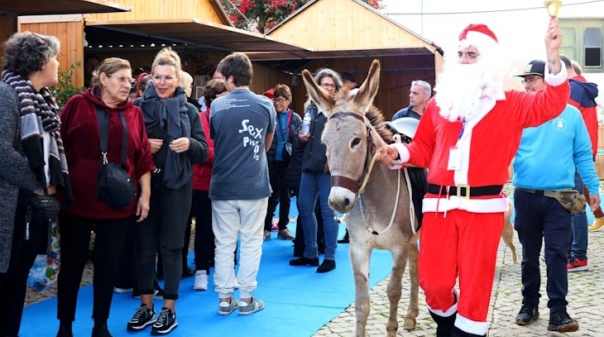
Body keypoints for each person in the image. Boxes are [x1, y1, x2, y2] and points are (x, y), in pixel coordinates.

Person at [375, 20, 570, 337]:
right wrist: (400, 153)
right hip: (439, 206)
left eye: (472, 54)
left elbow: (552, 102)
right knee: (433, 283)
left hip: (482, 209)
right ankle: (449, 322)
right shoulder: (440, 104)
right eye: (461, 54)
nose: (464, 60)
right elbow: (424, 147)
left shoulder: (512, 105)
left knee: (475, 286)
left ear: (489, 61)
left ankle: (465, 332)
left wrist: (552, 54)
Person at [57, 57, 154, 337]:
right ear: (103, 78)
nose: (128, 84)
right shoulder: (77, 105)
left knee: (108, 266)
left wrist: (145, 196)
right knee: (72, 263)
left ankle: (101, 324)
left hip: (118, 204)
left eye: (130, 80)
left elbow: (143, 157)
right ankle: (65, 325)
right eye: (122, 79)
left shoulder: (134, 113)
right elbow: (58, 146)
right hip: (77, 201)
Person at [512, 59, 599, 333]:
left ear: (549, 81)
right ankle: (529, 304)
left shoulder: (571, 114)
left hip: (560, 197)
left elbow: (583, 154)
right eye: (525, 79)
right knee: (528, 255)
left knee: (557, 255)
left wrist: (593, 188)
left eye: (533, 78)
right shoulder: (518, 113)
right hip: (525, 195)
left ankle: (558, 311)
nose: (528, 84)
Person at [127, 48, 208, 335]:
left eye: (168, 78)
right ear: (150, 78)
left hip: (177, 188)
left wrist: (189, 144)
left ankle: (169, 310)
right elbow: (121, 147)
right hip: (144, 187)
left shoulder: (190, 111)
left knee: (172, 248)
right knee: (144, 248)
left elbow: (203, 151)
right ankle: (146, 306)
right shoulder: (136, 107)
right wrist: (142, 146)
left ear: (178, 80)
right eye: (157, 77)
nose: (162, 83)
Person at [0, 31, 71, 337]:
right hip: (11, 209)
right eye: (54, 57)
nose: (58, 63)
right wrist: (39, 184)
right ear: (40, 62)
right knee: (4, 283)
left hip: (29, 212)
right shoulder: (7, 94)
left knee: (16, 286)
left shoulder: (42, 101)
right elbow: (1, 150)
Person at [209, 52, 275, 316]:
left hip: (223, 183)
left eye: (223, 77)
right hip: (254, 183)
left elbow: (218, 140)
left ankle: (225, 299)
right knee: (251, 242)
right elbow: (267, 144)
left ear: (231, 77)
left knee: (224, 243)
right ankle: (247, 298)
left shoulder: (217, 106)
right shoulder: (265, 105)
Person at [289, 68, 342, 273]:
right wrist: (301, 139)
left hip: (328, 168)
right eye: (324, 84)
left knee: (329, 212)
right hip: (309, 166)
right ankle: (310, 253)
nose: (328, 88)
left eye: (331, 85)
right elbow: (303, 137)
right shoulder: (310, 108)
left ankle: (330, 256)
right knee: (304, 208)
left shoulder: (338, 110)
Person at [559, 55, 600, 269]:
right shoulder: (583, 88)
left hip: (574, 156)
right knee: (572, 204)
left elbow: (560, 120)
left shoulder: (573, 90)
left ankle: (577, 255)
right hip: (581, 154)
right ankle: (570, 252)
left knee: (573, 206)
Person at [192, 78, 227, 291]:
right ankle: (201, 271)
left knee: (225, 230)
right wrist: (225, 154)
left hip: (225, 182)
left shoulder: (228, 119)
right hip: (202, 183)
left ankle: (225, 270)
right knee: (204, 230)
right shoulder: (200, 119)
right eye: (222, 99)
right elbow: (201, 151)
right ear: (211, 100)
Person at [264, 84, 302, 241]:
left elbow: (300, 142)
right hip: (271, 161)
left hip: (288, 163)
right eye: (275, 100)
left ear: (288, 101)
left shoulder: (296, 118)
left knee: (286, 197)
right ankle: (266, 227)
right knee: (270, 195)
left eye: (280, 100)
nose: (277, 103)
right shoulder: (269, 115)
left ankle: (283, 227)